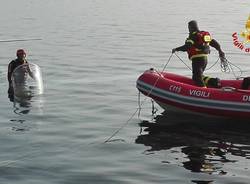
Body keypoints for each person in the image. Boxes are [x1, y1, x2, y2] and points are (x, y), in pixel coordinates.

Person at [172, 20, 226, 87]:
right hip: (204, 59)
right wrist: (220, 51)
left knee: (197, 78)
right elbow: (214, 43)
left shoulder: (192, 36)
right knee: (198, 76)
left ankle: (205, 92)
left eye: (188, 27)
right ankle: (214, 82)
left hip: (197, 60)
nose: (188, 29)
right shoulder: (203, 35)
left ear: (190, 27)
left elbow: (187, 47)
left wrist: (176, 49)